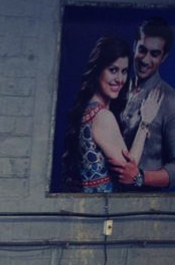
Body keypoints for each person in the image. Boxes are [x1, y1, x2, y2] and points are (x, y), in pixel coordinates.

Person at [62, 36, 160, 193]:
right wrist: (145, 123)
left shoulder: (87, 110)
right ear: (98, 70)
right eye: (113, 70)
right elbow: (128, 171)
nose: (119, 79)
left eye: (124, 71)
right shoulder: (103, 117)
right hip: (103, 211)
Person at [114, 16, 175, 190]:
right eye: (142, 50)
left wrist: (140, 177)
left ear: (164, 57)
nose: (145, 60)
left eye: (154, 54)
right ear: (134, 46)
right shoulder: (116, 88)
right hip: (107, 200)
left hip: (144, 208)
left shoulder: (170, 100)